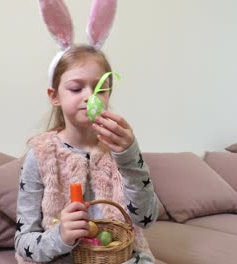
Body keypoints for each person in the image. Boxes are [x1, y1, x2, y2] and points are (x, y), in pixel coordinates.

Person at [14, 44, 158, 264]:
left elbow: (146, 218)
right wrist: (60, 235)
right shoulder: (41, 155)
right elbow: (23, 243)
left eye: (100, 89)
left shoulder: (120, 150)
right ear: (55, 96)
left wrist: (130, 157)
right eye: (75, 88)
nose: (90, 97)